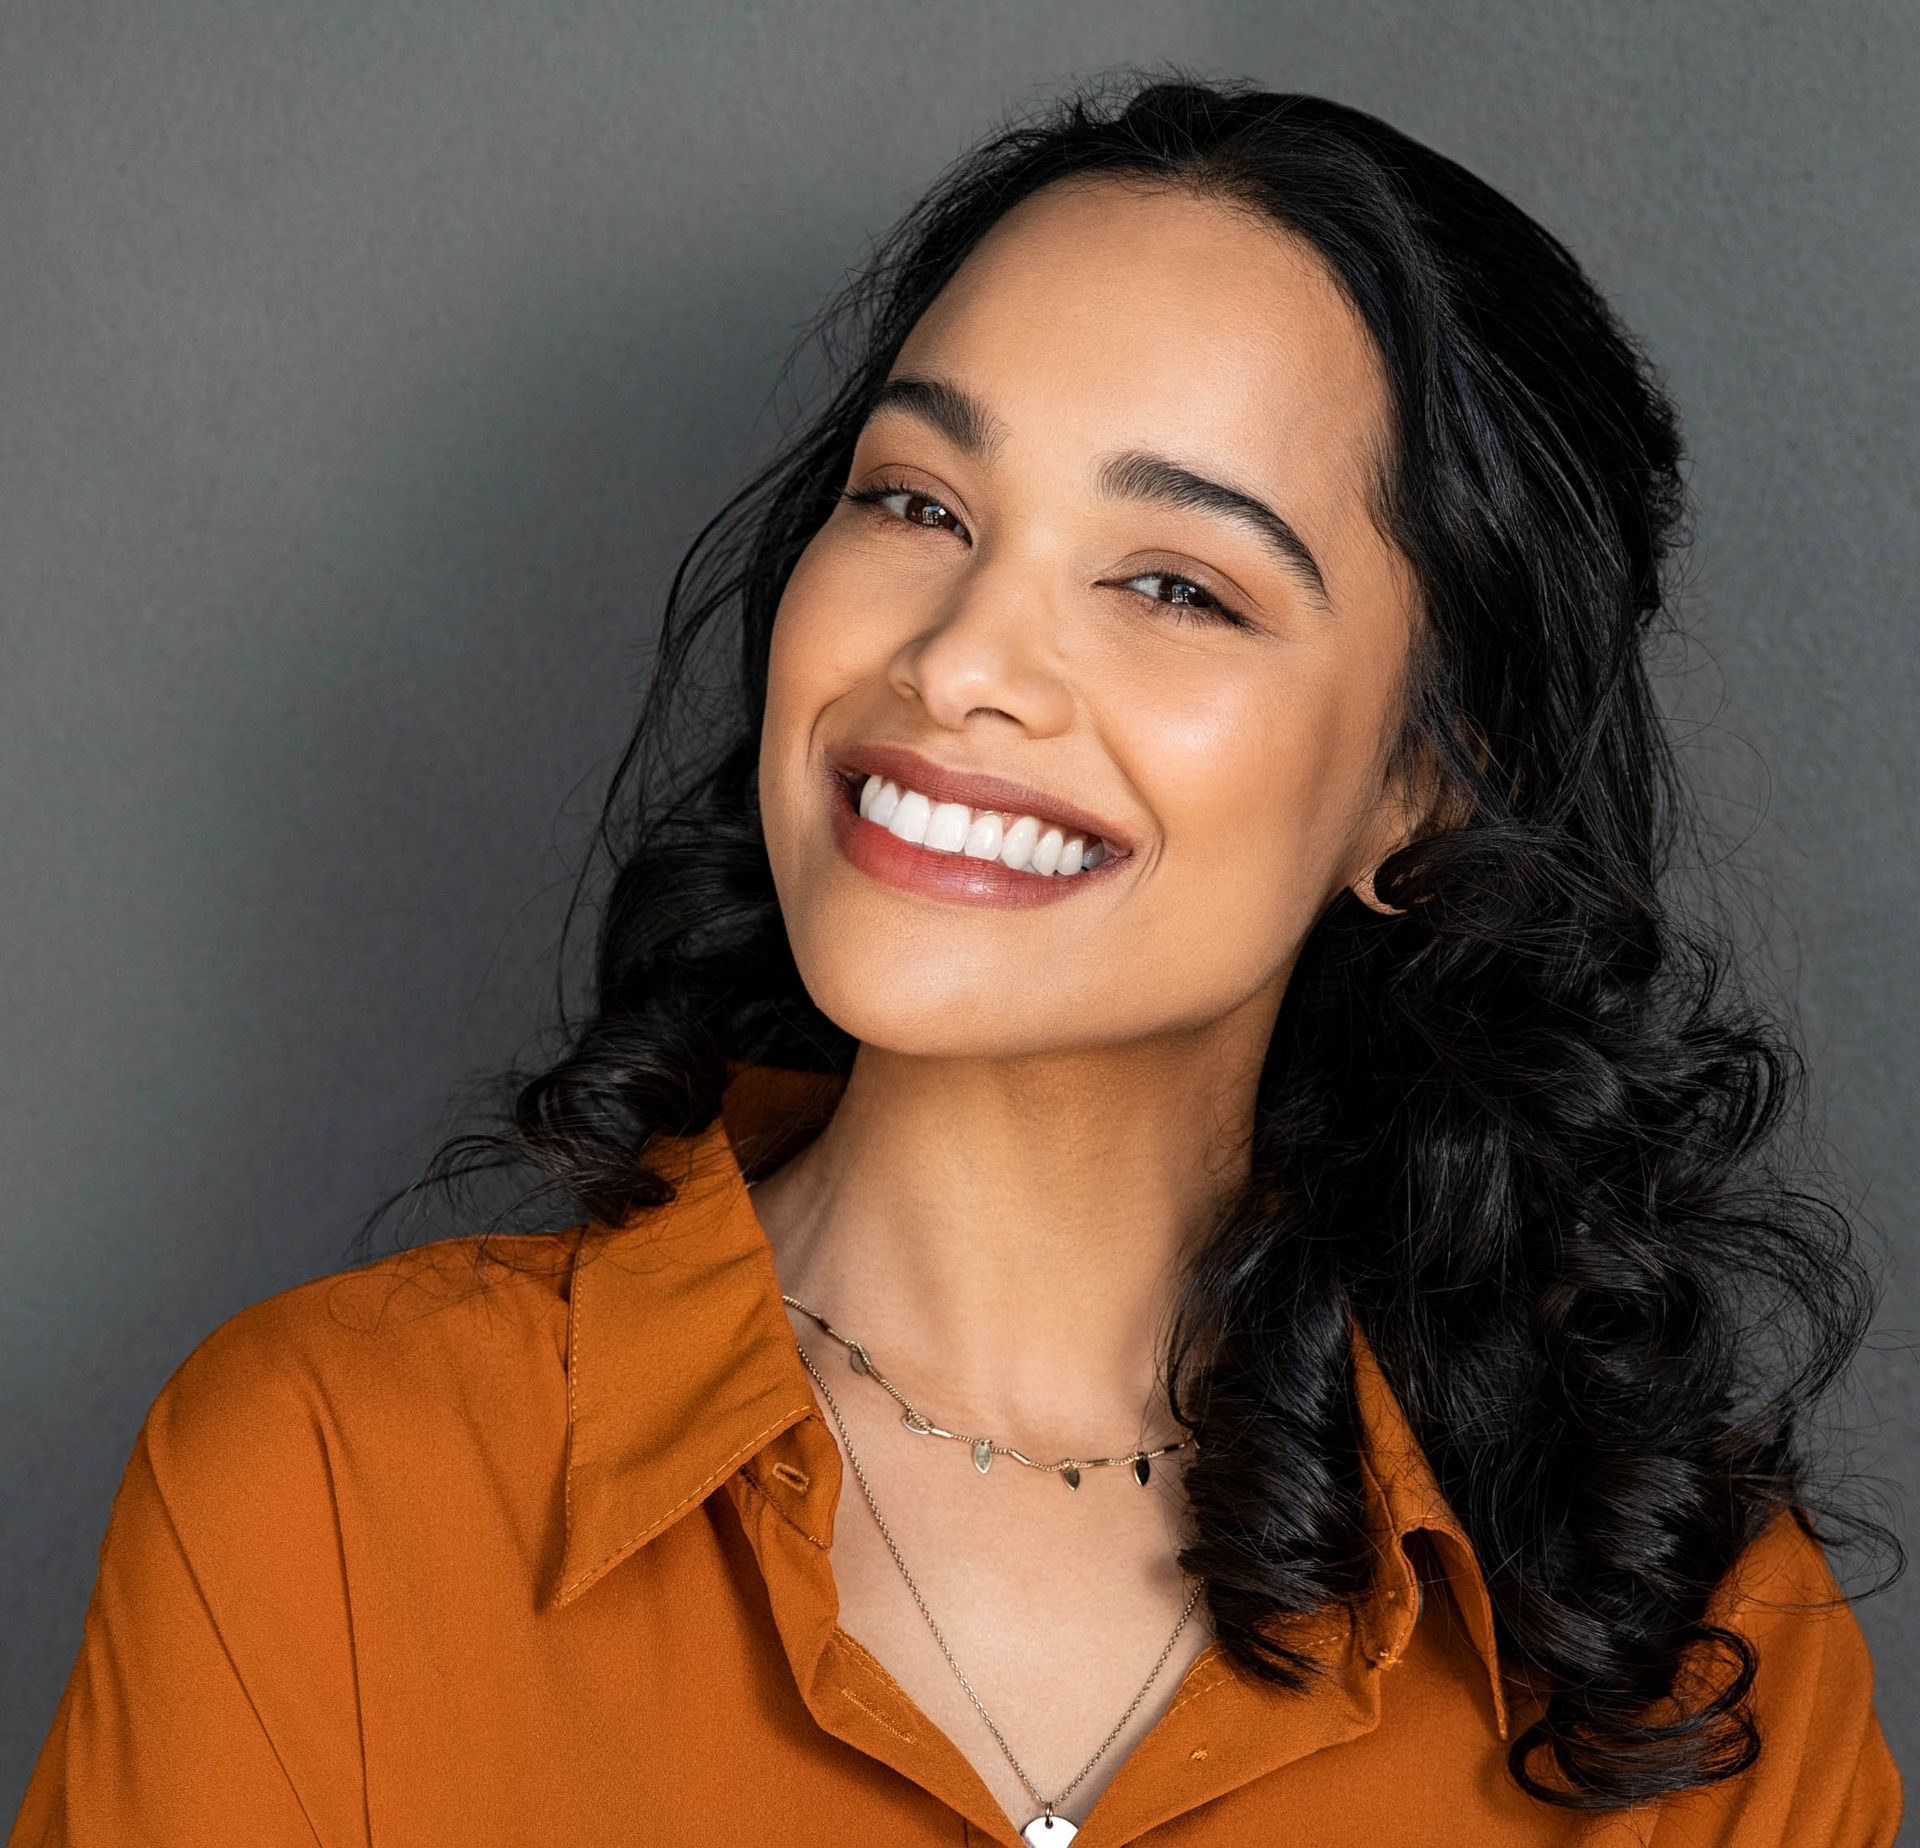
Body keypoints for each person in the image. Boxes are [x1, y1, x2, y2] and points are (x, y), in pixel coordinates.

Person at [10, 73, 1903, 1848]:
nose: (958, 658)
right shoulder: (329, 1486)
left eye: (1177, 583)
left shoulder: (1700, 1661)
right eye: (918, 503)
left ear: (1426, 780)